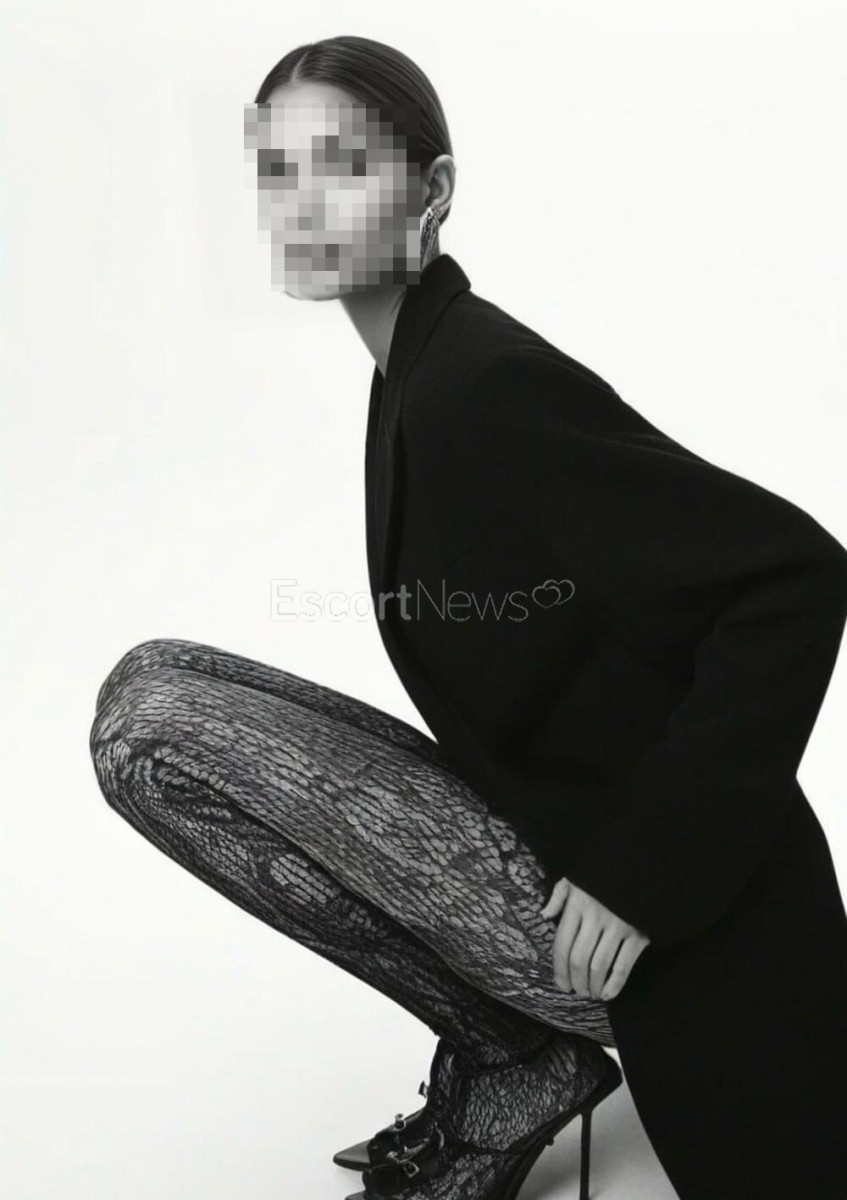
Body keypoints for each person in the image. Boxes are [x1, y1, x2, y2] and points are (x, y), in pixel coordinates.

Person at [89, 34, 847, 1200]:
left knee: (154, 735)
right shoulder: (411, 371)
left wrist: (644, 875)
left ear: (432, 190)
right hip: (550, 836)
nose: (302, 201)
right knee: (152, 682)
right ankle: (514, 1062)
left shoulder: (480, 385)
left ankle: (516, 1069)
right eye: (280, 171)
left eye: (342, 165)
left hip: (684, 933)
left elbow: (793, 580)